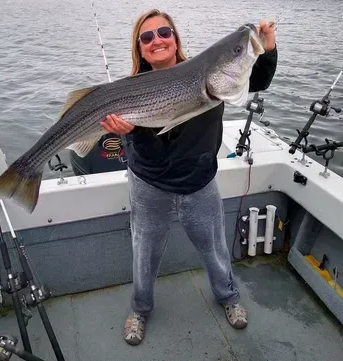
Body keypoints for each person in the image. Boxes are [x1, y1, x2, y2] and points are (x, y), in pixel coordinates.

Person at [101, 9, 278, 346]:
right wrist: (125, 130)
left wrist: (265, 49)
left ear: (176, 39)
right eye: (147, 37)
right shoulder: (129, 88)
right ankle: (140, 309)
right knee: (144, 252)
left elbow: (258, 79)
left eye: (164, 32)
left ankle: (229, 298)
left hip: (199, 183)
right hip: (149, 185)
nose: (157, 40)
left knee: (215, 249)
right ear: (139, 49)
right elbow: (131, 144)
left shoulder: (211, 72)